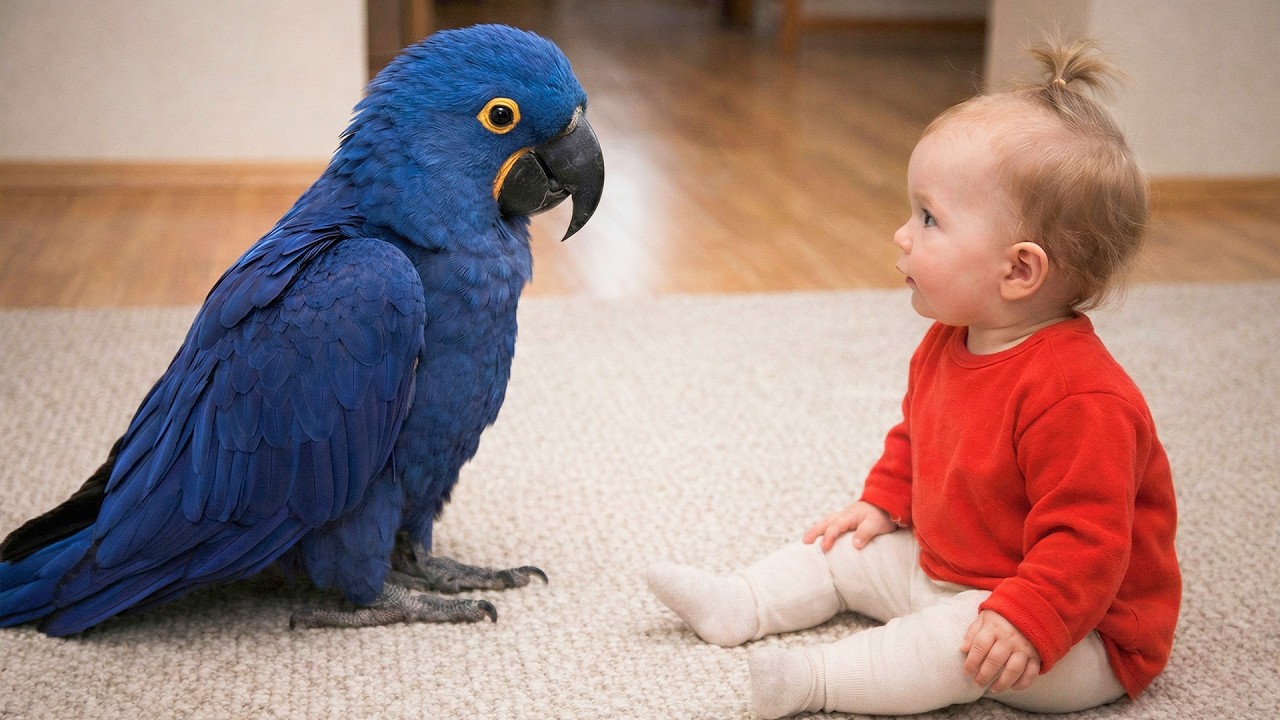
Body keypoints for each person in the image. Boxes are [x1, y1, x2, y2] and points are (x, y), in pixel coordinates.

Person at [645, 38, 1180, 718]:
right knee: (844, 549)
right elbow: (918, 434)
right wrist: (883, 503)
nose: (902, 235)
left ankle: (815, 681)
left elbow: (1090, 543)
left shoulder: (1083, 399)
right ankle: (741, 602)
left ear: (1018, 270)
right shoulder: (948, 340)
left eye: (929, 219)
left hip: (1076, 631)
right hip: (952, 567)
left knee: (952, 647)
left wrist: (1025, 617)